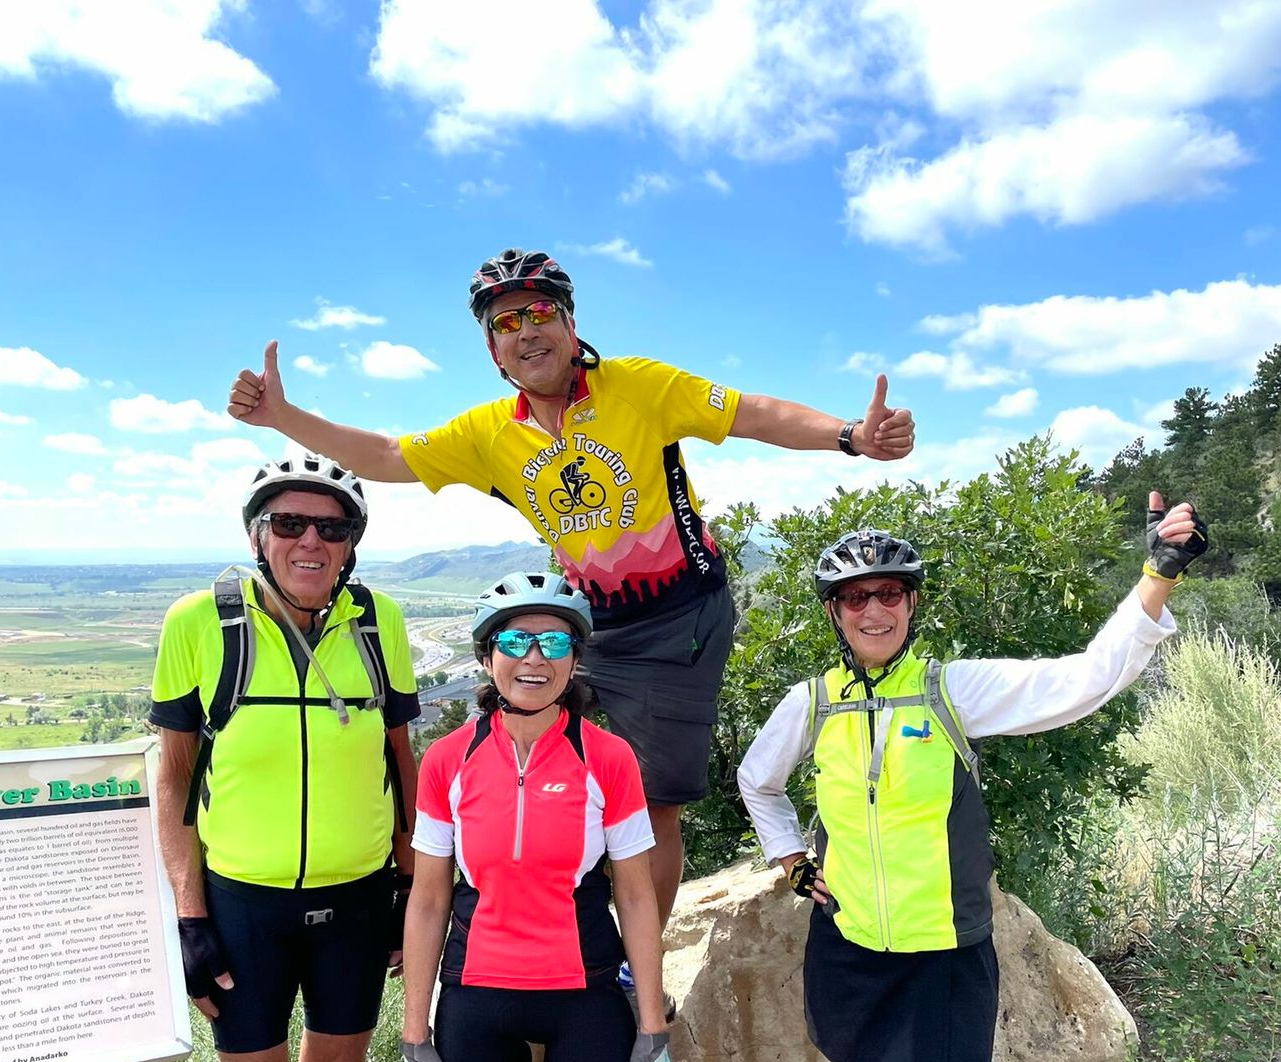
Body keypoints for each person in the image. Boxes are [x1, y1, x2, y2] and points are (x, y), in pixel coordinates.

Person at [226, 248, 916, 938]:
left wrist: (850, 437)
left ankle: (637, 961)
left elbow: (751, 413)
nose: (526, 331)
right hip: (586, 618)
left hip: (677, 618)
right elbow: (387, 455)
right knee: (527, 755)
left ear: (570, 323)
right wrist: (284, 416)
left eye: (540, 313)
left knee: (653, 803)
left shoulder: (639, 387)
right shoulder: (491, 432)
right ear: (493, 350)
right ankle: (542, 932)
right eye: (505, 323)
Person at [736, 494, 1208, 1062]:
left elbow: (1084, 679)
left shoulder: (949, 691)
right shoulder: (814, 702)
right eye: (855, 596)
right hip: (849, 949)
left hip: (946, 958)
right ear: (834, 611)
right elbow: (757, 780)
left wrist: (1158, 574)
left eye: (889, 593)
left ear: (912, 602)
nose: (873, 610)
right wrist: (793, 863)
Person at [150, 455, 420, 1062]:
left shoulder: (379, 623)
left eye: (332, 528)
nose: (311, 541)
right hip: (243, 907)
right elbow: (174, 776)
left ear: (351, 543)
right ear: (257, 535)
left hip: (356, 901)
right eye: (290, 523)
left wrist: (410, 886)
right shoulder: (200, 622)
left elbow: (401, 760)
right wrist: (190, 915)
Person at [398, 571, 672, 1062]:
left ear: (574, 661)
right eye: (515, 641)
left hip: (585, 996)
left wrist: (652, 1027)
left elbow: (635, 895)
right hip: (476, 998)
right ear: (486, 655)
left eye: (554, 643)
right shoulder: (447, 760)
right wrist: (414, 1033)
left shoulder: (608, 757)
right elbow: (429, 899)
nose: (534, 658)